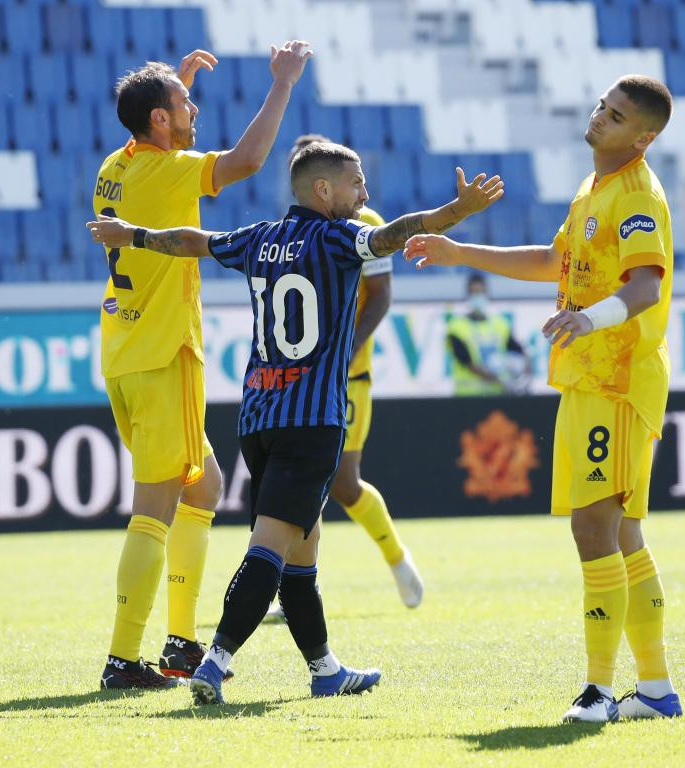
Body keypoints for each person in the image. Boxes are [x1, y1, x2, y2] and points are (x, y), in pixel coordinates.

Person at [87, 141, 503, 705]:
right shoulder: (339, 240)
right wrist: (456, 211)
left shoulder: (258, 238)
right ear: (324, 191)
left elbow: (190, 242)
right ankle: (213, 663)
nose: (366, 195)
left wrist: (133, 235)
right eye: (357, 185)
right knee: (271, 548)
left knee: (301, 549)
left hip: (259, 416)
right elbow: (397, 232)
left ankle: (325, 669)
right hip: (312, 421)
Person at [405, 76, 682, 723]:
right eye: (601, 107)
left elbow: (645, 287)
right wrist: (457, 251)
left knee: (594, 528)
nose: (599, 119)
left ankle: (597, 689)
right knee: (624, 532)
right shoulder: (595, 189)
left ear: (642, 137)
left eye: (615, 117)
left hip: (616, 379)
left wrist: (591, 319)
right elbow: (552, 261)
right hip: (591, 377)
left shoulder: (638, 195)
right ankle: (657, 689)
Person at [95, 42, 314, 690]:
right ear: (159, 122)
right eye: (183, 105)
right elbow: (245, 162)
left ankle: (180, 643)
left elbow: (163, 146)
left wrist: (176, 83)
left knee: (205, 486)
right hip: (165, 353)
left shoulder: (116, 164)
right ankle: (122, 658)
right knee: (156, 505)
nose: (194, 109)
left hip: (125, 350)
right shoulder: (167, 173)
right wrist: (282, 83)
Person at [261, 134, 422, 618]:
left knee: (344, 483)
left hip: (346, 376)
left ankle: (398, 560)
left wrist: (348, 350)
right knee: (290, 479)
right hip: (295, 376)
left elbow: (382, 294)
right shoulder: (289, 231)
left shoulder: (364, 225)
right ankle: (285, 589)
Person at [445, 272, 530, 396]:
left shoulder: (500, 324)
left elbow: (520, 352)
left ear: (486, 293)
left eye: (481, 292)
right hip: (467, 397)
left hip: (496, 397)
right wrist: (500, 381)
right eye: (474, 292)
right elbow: (467, 362)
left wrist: (525, 376)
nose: (477, 296)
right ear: (468, 295)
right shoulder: (456, 327)